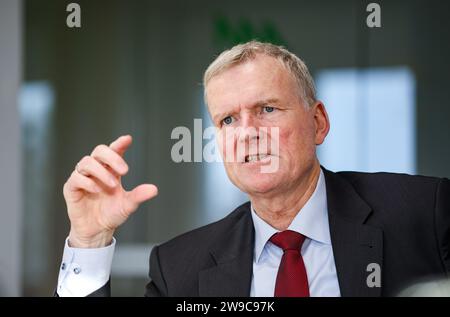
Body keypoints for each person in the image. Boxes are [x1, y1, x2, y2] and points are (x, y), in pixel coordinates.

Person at [56, 41, 450, 297]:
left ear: (318, 123)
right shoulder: (180, 269)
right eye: (228, 120)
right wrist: (88, 242)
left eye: (267, 109)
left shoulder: (425, 213)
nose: (248, 134)